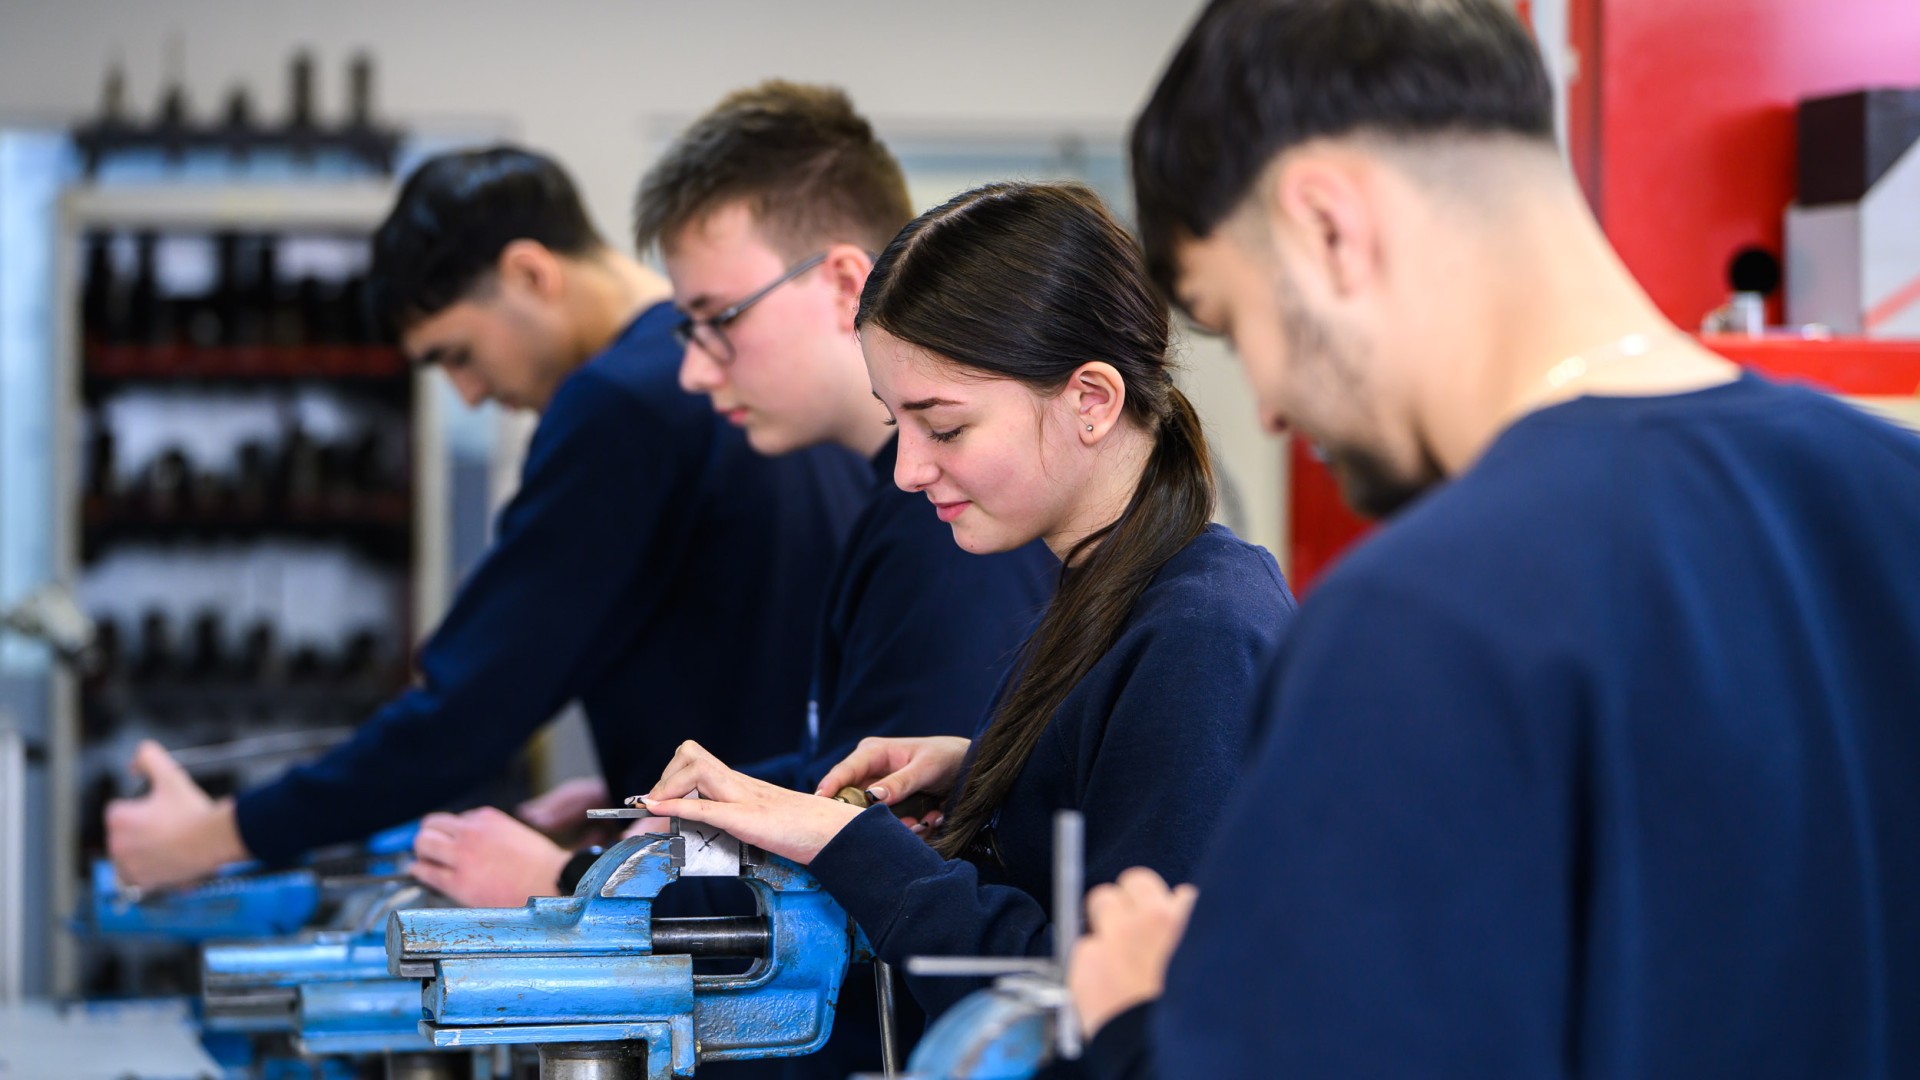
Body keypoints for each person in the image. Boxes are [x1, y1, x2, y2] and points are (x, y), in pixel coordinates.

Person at [1069, 1, 1920, 1077]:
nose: (1274, 412)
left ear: (1327, 224)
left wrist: (1145, 1022)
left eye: (1238, 325)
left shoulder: (1422, 616)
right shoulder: (1897, 494)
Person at [420, 82, 1060, 1077]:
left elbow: (900, 866)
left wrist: (578, 879)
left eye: (717, 319)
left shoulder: (952, 534)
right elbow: (852, 789)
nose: (692, 370)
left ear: (845, 283)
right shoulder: (893, 514)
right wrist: (665, 818)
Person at [633, 180, 1297, 1045]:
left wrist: (848, 843)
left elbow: (1111, 1018)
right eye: (894, 423)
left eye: (943, 428)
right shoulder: (1107, 600)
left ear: (1091, 400)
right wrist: (1000, 771)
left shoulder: (1200, 636)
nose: (908, 470)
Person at [105, 146, 869, 890]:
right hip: (776, 868)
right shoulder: (749, 386)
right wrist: (630, 802)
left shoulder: (622, 403)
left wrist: (209, 837)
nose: (467, 394)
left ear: (529, 274)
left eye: (457, 354)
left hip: (728, 907)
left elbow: (466, 717)